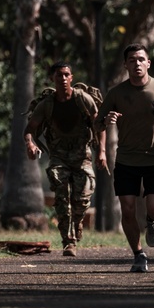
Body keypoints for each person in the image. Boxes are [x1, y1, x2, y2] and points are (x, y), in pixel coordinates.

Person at [96, 43, 154, 273]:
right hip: (126, 159)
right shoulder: (116, 93)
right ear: (126, 65)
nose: (136, 64)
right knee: (127, 208)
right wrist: (107, 120)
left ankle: (152, 221)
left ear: (148, 63)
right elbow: (97, 122)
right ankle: (138, 254)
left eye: (140, 59)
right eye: (132, 60)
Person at [25, 62, 107, 257]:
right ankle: (68, 242)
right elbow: (30, 128)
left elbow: (99, 125)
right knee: (62, 199)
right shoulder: (47, 104)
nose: (62, 78)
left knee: (83, 199)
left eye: (66, 74)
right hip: (59, 156)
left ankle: (78, 222)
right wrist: (30, 144)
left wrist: (102, 151)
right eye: (59, 75)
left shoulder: (83, 99)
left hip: (82, 156)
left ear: (71, 77)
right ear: (53, 78)